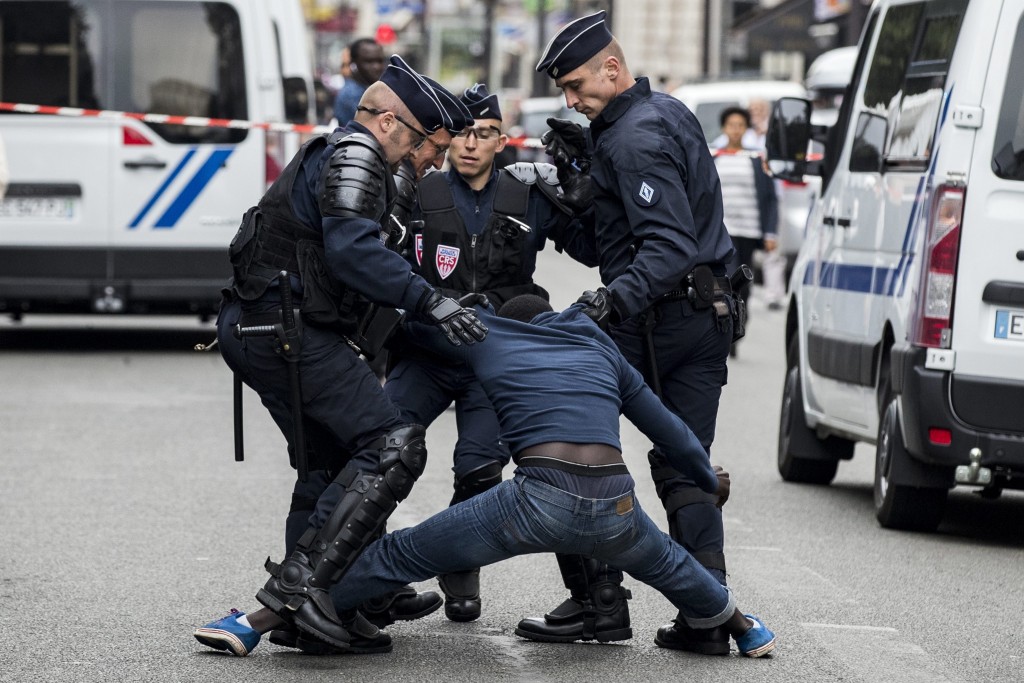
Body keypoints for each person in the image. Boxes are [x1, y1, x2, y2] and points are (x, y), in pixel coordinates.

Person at [193, 295, 777, 659]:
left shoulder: (492, 338)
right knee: (674, 567)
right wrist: (708, 478)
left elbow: (409, 330)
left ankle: (255, 622)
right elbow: (671, 431)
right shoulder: (602, 353)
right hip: (615, 502)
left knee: (397, 556)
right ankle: (746, 628)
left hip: (538, 497)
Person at [199, 54, 485, 656]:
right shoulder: (357, 153)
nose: (432, 159)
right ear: (389, 125)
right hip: (283, 332)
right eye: (426, 144)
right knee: (391, 443)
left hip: (267, 328)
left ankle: (347, 597)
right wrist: (429, 301)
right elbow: (354, 253)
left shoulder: (352, 158)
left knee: (329, 462)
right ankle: (301, 593)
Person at [521, 10, 743, 655]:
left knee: (563, 441)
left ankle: (599, 605)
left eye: (577, 86)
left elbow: (666, 246)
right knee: (686, 463)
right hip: (709, 315)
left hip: (658, 319)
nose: (571, 100)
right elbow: (615, 242)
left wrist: (608, 303)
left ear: (611, 70)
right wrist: (574, 199)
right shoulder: (665, 112)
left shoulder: (633, 137)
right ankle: (707, 617)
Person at [383, 82, 599, 623]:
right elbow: (375, 261)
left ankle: (457, 566)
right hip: (426, 352)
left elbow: (595, 248)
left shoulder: (526, 194)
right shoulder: (418, 191)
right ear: (449, 138)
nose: (472, 144)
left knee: (480, 469)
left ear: (503, 141)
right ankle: (370, 576)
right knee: (382, 455)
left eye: (485, 134)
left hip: (495, 358)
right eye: (463, 133)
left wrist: (588, 187)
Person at [712, 105, 779, 315]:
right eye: (732, 125)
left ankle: (740, 318)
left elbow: (770, 197)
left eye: (740, 125)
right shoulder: (714, 156)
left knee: (744, 280)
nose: (736, 129)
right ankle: (728, 323)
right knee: (728, 278)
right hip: (724, 231)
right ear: (724, 128)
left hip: (749, 231)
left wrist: (770, 232)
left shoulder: (756, 158)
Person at [333, 38, 386, 126]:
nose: (376, 67)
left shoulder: (370, 89)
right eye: (369, 61)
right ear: (354, 63)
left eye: (379, 61)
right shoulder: (351, 95)